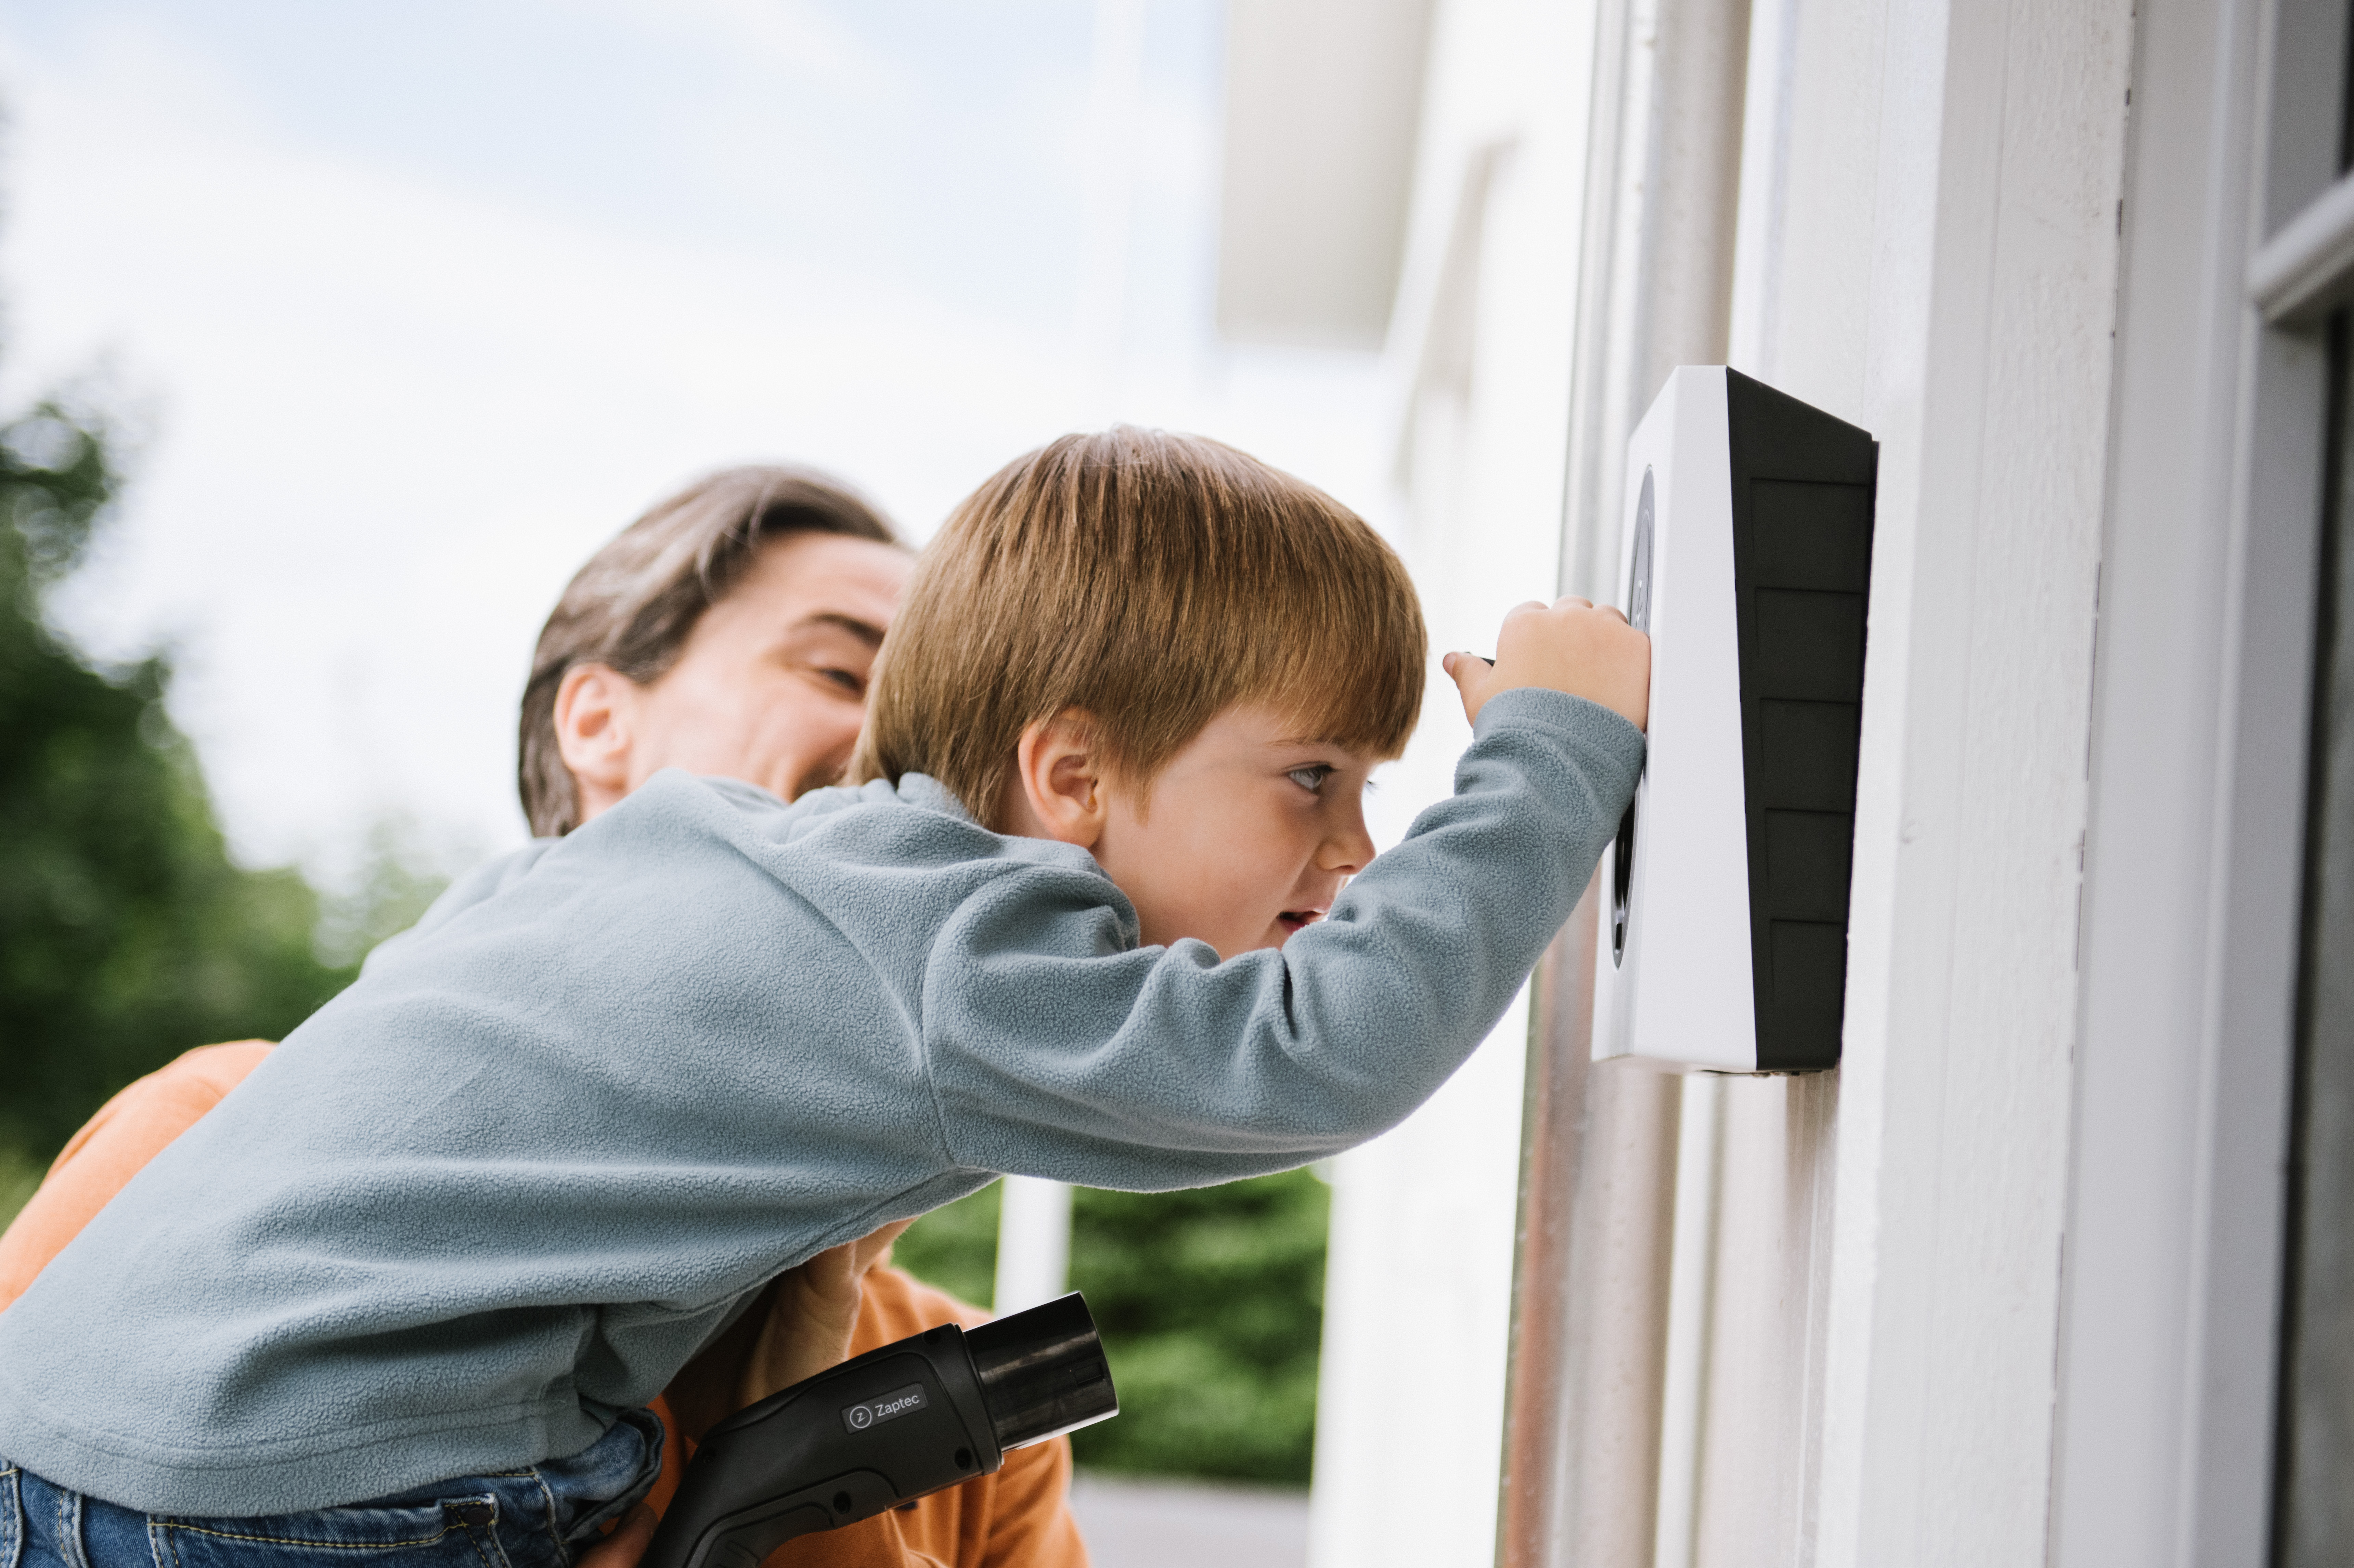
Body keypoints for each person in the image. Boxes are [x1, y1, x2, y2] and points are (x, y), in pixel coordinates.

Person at [0, 427, 1649, 1568]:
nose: (1355, 850)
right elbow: (1311, 1062)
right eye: (1312, 778)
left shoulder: (677, 859)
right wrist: (1550, 759)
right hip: (306, 1491)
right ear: (1066, 769)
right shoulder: (952, 953)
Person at [0, 463, 1084, 1568]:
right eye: (845, 670)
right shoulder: (202, 1138)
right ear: (598, 721)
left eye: (944, 728)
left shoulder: (974, 1418)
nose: (907, 769)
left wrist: (802, 1447)